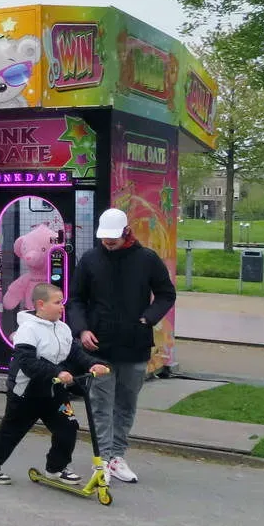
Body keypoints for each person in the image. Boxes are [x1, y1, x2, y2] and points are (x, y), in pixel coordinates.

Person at [67, 207, 176, 483]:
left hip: (134, 343)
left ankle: (117, 456)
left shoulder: (147, 259)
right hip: (99, 348)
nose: (108, 243)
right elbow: (76, 299)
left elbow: (166, 294)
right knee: (101, 404)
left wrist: (147, 318)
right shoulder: (90, 259)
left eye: (113, 238)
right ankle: (102, 459)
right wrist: (81, 330)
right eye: (104, 239)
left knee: (126, 403)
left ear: (126, 231)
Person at [0, 283, 110, 485]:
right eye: (57, 302)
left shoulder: (63, 328)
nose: (62, 306)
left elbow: (75, 353)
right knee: (12, 430)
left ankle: (55, 468)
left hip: (54, 390)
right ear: (41, 304)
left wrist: (94, 364)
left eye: (62, 302)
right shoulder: (28, 329)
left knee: (68, 427)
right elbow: (28, 363)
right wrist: (58, 372)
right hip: (26, 392)